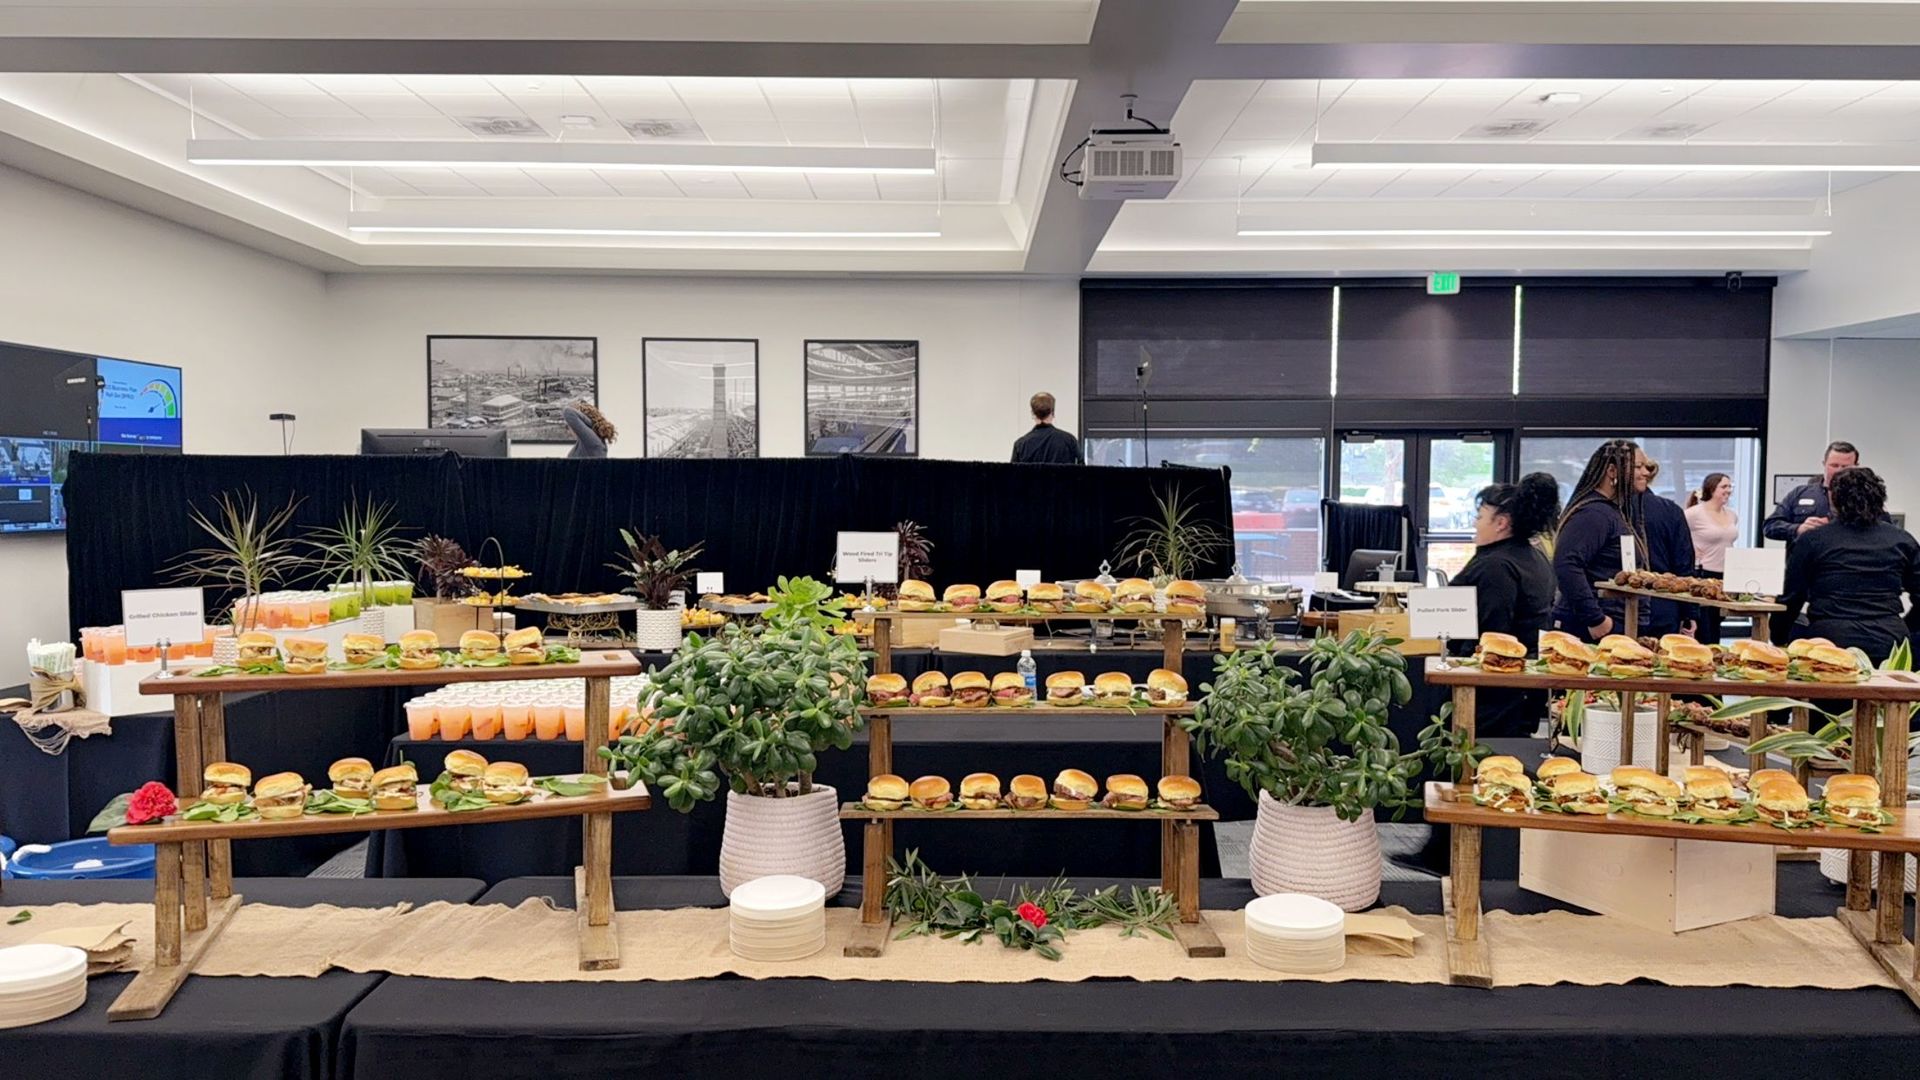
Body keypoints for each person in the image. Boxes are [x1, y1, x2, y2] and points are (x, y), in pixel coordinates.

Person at [1450, 472, 1560, 736]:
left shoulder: (1496, 567)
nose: (1475, 524)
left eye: (1479, 517)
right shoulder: (1534, 557)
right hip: (1521, 693)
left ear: (1501, 522)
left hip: (1492, 698)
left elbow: (1491, 633)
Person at [1775, 466, 1920, 662]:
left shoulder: (1813, 540)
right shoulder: (1902, 540)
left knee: (1829, 691)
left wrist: (1778, 636)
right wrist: (1907, 628)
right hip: (1888, 638)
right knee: (1883, 692)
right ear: (1880, 498)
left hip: (1828, 641)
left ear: (1833, 498)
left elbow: (1792, 596)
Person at [1551, 439, 1649, 643]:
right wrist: (1595, 619)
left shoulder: (1613, 511)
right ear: (1612, 471)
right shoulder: (1593, 513)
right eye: (1638, 466)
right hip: (1593, 630)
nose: (1646, 472)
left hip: (1614, 625)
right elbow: (1566, 563)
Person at [1637, 459, 1697, 638]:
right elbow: (1684, 563)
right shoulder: (1670, 510)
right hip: (1664, 602)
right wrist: (1689, 613)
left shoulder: (1613, 510)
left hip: (1619, 604)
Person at [1765, 441, 1861, 552]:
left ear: (1856, 467)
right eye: (1834, 465)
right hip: (1806, 564)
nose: (1839, 471)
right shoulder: (1799, 494)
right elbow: (1770, 526)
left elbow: (1883, 528)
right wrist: (1798, 529)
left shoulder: (1866, 497)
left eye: (1845, 467)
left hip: (1848, 563)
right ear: (1824, 464)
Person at [1685, 472, 1738, 643]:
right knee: (1705, 626)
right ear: (1711, 488)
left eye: (1730, 486)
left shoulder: (1732, 515)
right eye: (1724, 486)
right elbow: (1678, 536)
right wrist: (1691, 551)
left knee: (1717, 622)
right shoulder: (1694, 514)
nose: (1728, 490)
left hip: (1725, 575)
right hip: (1703, 573)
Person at [1010, 391, 1082, 465]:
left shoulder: (1020, 445)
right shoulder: (1069, 440)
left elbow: (1013, 474)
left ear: (1033, 413)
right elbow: (1082, 471)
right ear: (1052, 413)